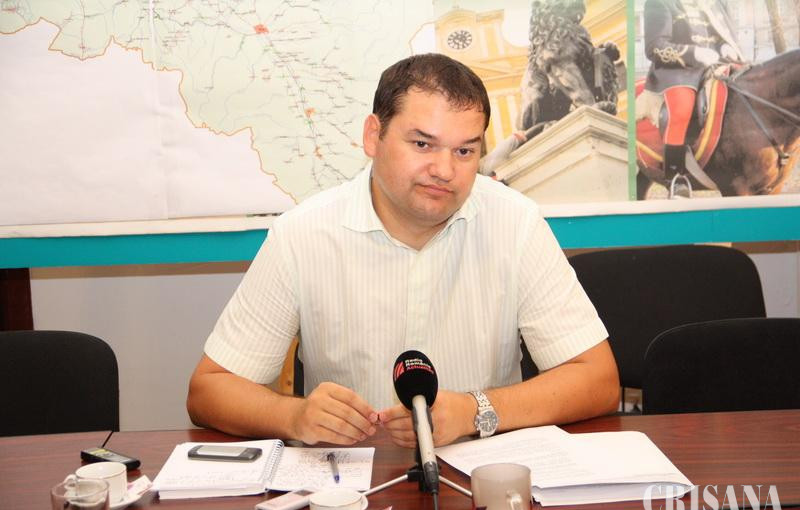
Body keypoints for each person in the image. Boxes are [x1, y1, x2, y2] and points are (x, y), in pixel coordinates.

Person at [187, 53, 619, 448]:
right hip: (348, 487)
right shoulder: (301, 234)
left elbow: (597, 380)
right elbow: (209, 390)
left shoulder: (516, 222)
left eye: (464, 151)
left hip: (479, 476)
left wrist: (475, 411)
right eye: (422, 144)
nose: (444, 170)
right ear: (373, 136)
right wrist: (294, 416)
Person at [643, 0, 744, 186]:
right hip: (678, 70)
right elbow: (654, 46)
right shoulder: (660, 3)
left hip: (716, 65)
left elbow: (720, 34)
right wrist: (693, 53)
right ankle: (676, 177)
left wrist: (724, 46)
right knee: (681, 110)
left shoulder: (712, 4)